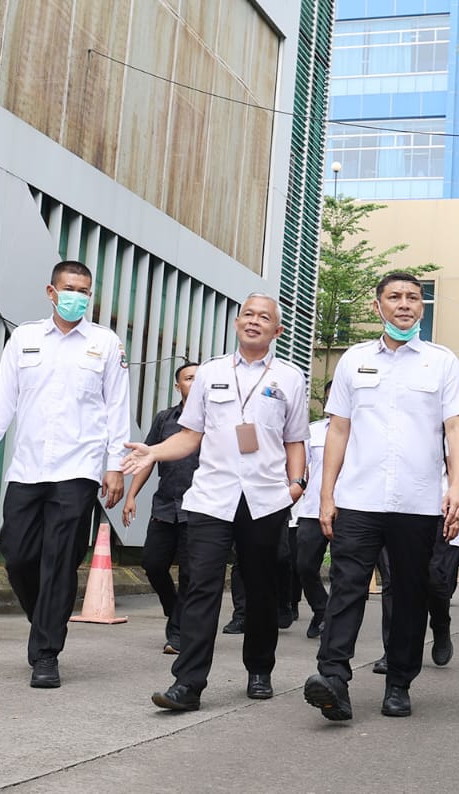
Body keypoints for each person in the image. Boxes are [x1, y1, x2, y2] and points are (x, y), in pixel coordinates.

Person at [120, 294, 309, 711]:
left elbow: (295, 439)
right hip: (211, 497)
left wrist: (296, 485)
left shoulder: (290, 378)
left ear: (277, 330)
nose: (254, 321)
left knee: (260, 588)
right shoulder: (211, 372)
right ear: (237, 323)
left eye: (264, 317)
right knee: (200, 587)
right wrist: (154, 452)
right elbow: (190, 435)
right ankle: (187, 683)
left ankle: (259, 669)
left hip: (265, 499)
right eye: (248, 314)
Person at [304, 271, 459, 723]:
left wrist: (457, 487)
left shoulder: (441, 362)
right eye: (394, 297)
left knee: (409, 595)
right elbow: (338, 430)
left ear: (422, 307)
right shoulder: (353, 360)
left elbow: (456, 427)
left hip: (417, 502)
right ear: (377, 306)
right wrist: (326, 494)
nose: (404, 304)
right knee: (346, 588)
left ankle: (399, 682)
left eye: (413, 297)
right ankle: (333, 678)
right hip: (359, 498)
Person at [0, 260, 129, 689]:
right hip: (27, 467)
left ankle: (46, 654)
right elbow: (3, 398)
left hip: (78, 469)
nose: (77, 296)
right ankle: (44, 618)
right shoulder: (24, 338)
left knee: (60, 560)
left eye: (84, 291)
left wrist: (115, 465)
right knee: (18, 555)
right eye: (70, 288)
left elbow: (117, 408)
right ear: (51, 292)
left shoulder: (104, 343)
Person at [122, 361, 200, 654]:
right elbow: (147, 458)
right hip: (166, 505)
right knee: (153, 564)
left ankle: (178, 633)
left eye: (200, 378)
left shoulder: (216, 420)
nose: (195, 382)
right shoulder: (165, 419)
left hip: (199, 509)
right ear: (178, 386)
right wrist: (131, 496)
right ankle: (174, 609)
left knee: (190, 574)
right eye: (189, 378)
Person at [373, 470, 459, 673]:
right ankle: (392, 651)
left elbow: (458, 470)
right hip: (388, 507)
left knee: (434, 579)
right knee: (392, 580)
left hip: (435, 509)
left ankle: (440, 626)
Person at [294, 417, 332, 639]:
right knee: (304, 565)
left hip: (348, 509)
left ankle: (333, 620)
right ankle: (321, 608)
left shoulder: (364, 429)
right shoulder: (314, 431)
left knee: (343, 572)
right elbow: (298, 464)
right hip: (313, 510)